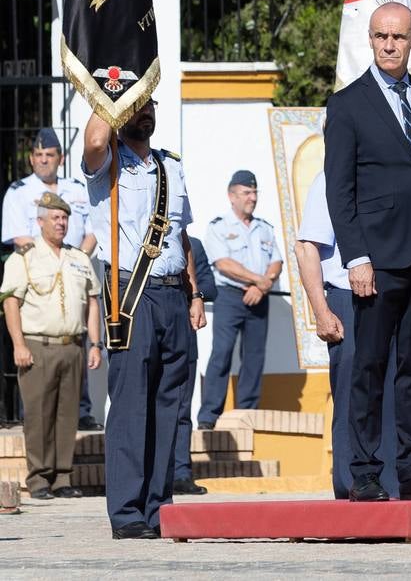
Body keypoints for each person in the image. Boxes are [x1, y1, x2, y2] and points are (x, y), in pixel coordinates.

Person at [324, 2, 411, 502]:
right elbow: (339, 192)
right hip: (378, 261)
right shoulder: (347, 104)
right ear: (370, 39)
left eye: (398, 37)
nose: (389, 45)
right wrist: (355, 257)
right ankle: (364, 469)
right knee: (370, 365)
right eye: (381, 36)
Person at [83, 98, 206, 540]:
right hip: (134, 295)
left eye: (148, 103)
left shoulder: (171, 166)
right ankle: (128, 510)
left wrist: (195, 292)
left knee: (168, 408)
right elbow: (95, 137)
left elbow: (181, 235)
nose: (144, 112)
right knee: (132, 406)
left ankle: (159, 506)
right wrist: (107, 95)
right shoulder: (107, 162)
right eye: (136, 106)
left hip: (174, 295)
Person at [295, 169, 397, 499]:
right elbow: (307, 247)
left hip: (387, 297)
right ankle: (350, 484)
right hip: (346, 298)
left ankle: (389, 483)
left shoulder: (383, 172)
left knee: (391, 393)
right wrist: (321, 311)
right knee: (353, 395)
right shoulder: (330, 178)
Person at [0, 192, 101, 499]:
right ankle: (39, 478)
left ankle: (62, 478)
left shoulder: (78, 258)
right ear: (40, 221)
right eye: (55, 218)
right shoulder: (24, 258)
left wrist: (95, 344)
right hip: (37, 345)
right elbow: (11, 301)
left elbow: (92, 302)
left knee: (67, 414)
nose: (61, 223)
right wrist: (18, 344)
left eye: (65, 218)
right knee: (39, 414)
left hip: (72, 345)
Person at [3, 127, 101, 431]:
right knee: (38, 344)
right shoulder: (19, 192)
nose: (44, 161)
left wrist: (78, 257)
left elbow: (95, 228)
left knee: (75, 337)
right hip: (39, 273)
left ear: (61, 158)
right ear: (32, 159)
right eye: (39, 156)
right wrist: (50, 256)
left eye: (50, 155)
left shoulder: (77, 188)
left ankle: (82, 411)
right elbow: (18, 236)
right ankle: (30, 412)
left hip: (74, 268)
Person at [196, 170, 281, 430]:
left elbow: (276, 261)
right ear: (231, 196)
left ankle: (247, 414)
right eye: (247, 193)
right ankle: (209, 416)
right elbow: (223, 264)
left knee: (254, 357)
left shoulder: (264, 227)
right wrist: (260, 280)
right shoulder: (219, 226)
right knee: (221, 354)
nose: (252, 198)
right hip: (230, 297)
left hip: (259, 297)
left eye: (254, 192)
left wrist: (262, 286)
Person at [173, 236, 216, 496]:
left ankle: (181, 473)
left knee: (182, 409)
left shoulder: (194, 245)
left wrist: (192, 292)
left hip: (185, 331)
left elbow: (211, 287)